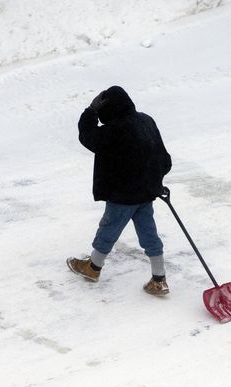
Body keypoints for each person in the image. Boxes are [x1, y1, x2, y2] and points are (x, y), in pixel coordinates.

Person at [67, 85, 173, 296]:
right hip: (145, 192)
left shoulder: (115, 130)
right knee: (149, 233)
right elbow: (163, 158)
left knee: (108, 229)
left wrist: (90, 111)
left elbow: (88, 136)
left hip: (123, 195)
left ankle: (93, 268)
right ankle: (159, 278)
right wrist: (156, 181)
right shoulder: (146, 121)